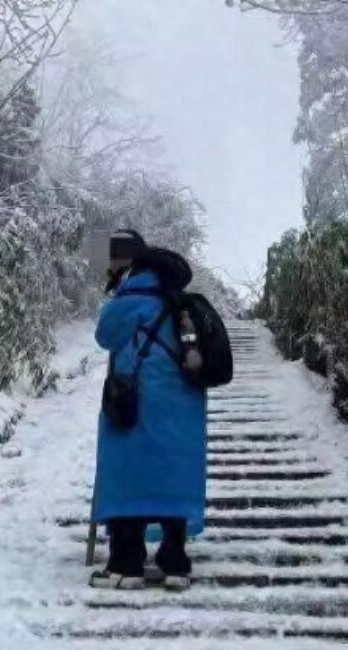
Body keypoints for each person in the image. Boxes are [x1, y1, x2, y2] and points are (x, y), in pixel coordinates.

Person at [90, 229, 208, 592]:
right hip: (184, 403)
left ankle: (127, 565)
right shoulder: (181, 304)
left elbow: (104, 336)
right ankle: (175, 563)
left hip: (136, 400)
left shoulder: (129, 301)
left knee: (129, 473)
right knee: (173, 473)